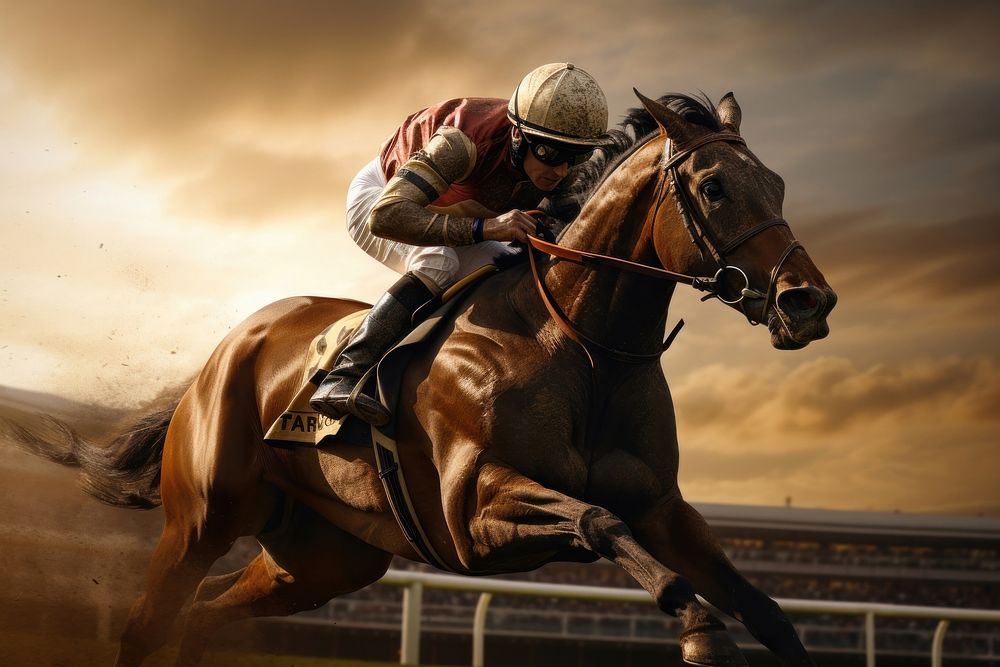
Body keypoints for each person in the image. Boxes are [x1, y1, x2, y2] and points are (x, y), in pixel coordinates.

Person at [310, 63, 610, 425]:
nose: (561, 171)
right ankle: (345, 373)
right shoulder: (460, 144)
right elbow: (386, 217)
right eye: (549, 153)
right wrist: (485, 227)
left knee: (515, 270)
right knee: (439, 262)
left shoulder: (560, 160)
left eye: (576, 156)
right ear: (518, 136)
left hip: (462, 210)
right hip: (384, 198)